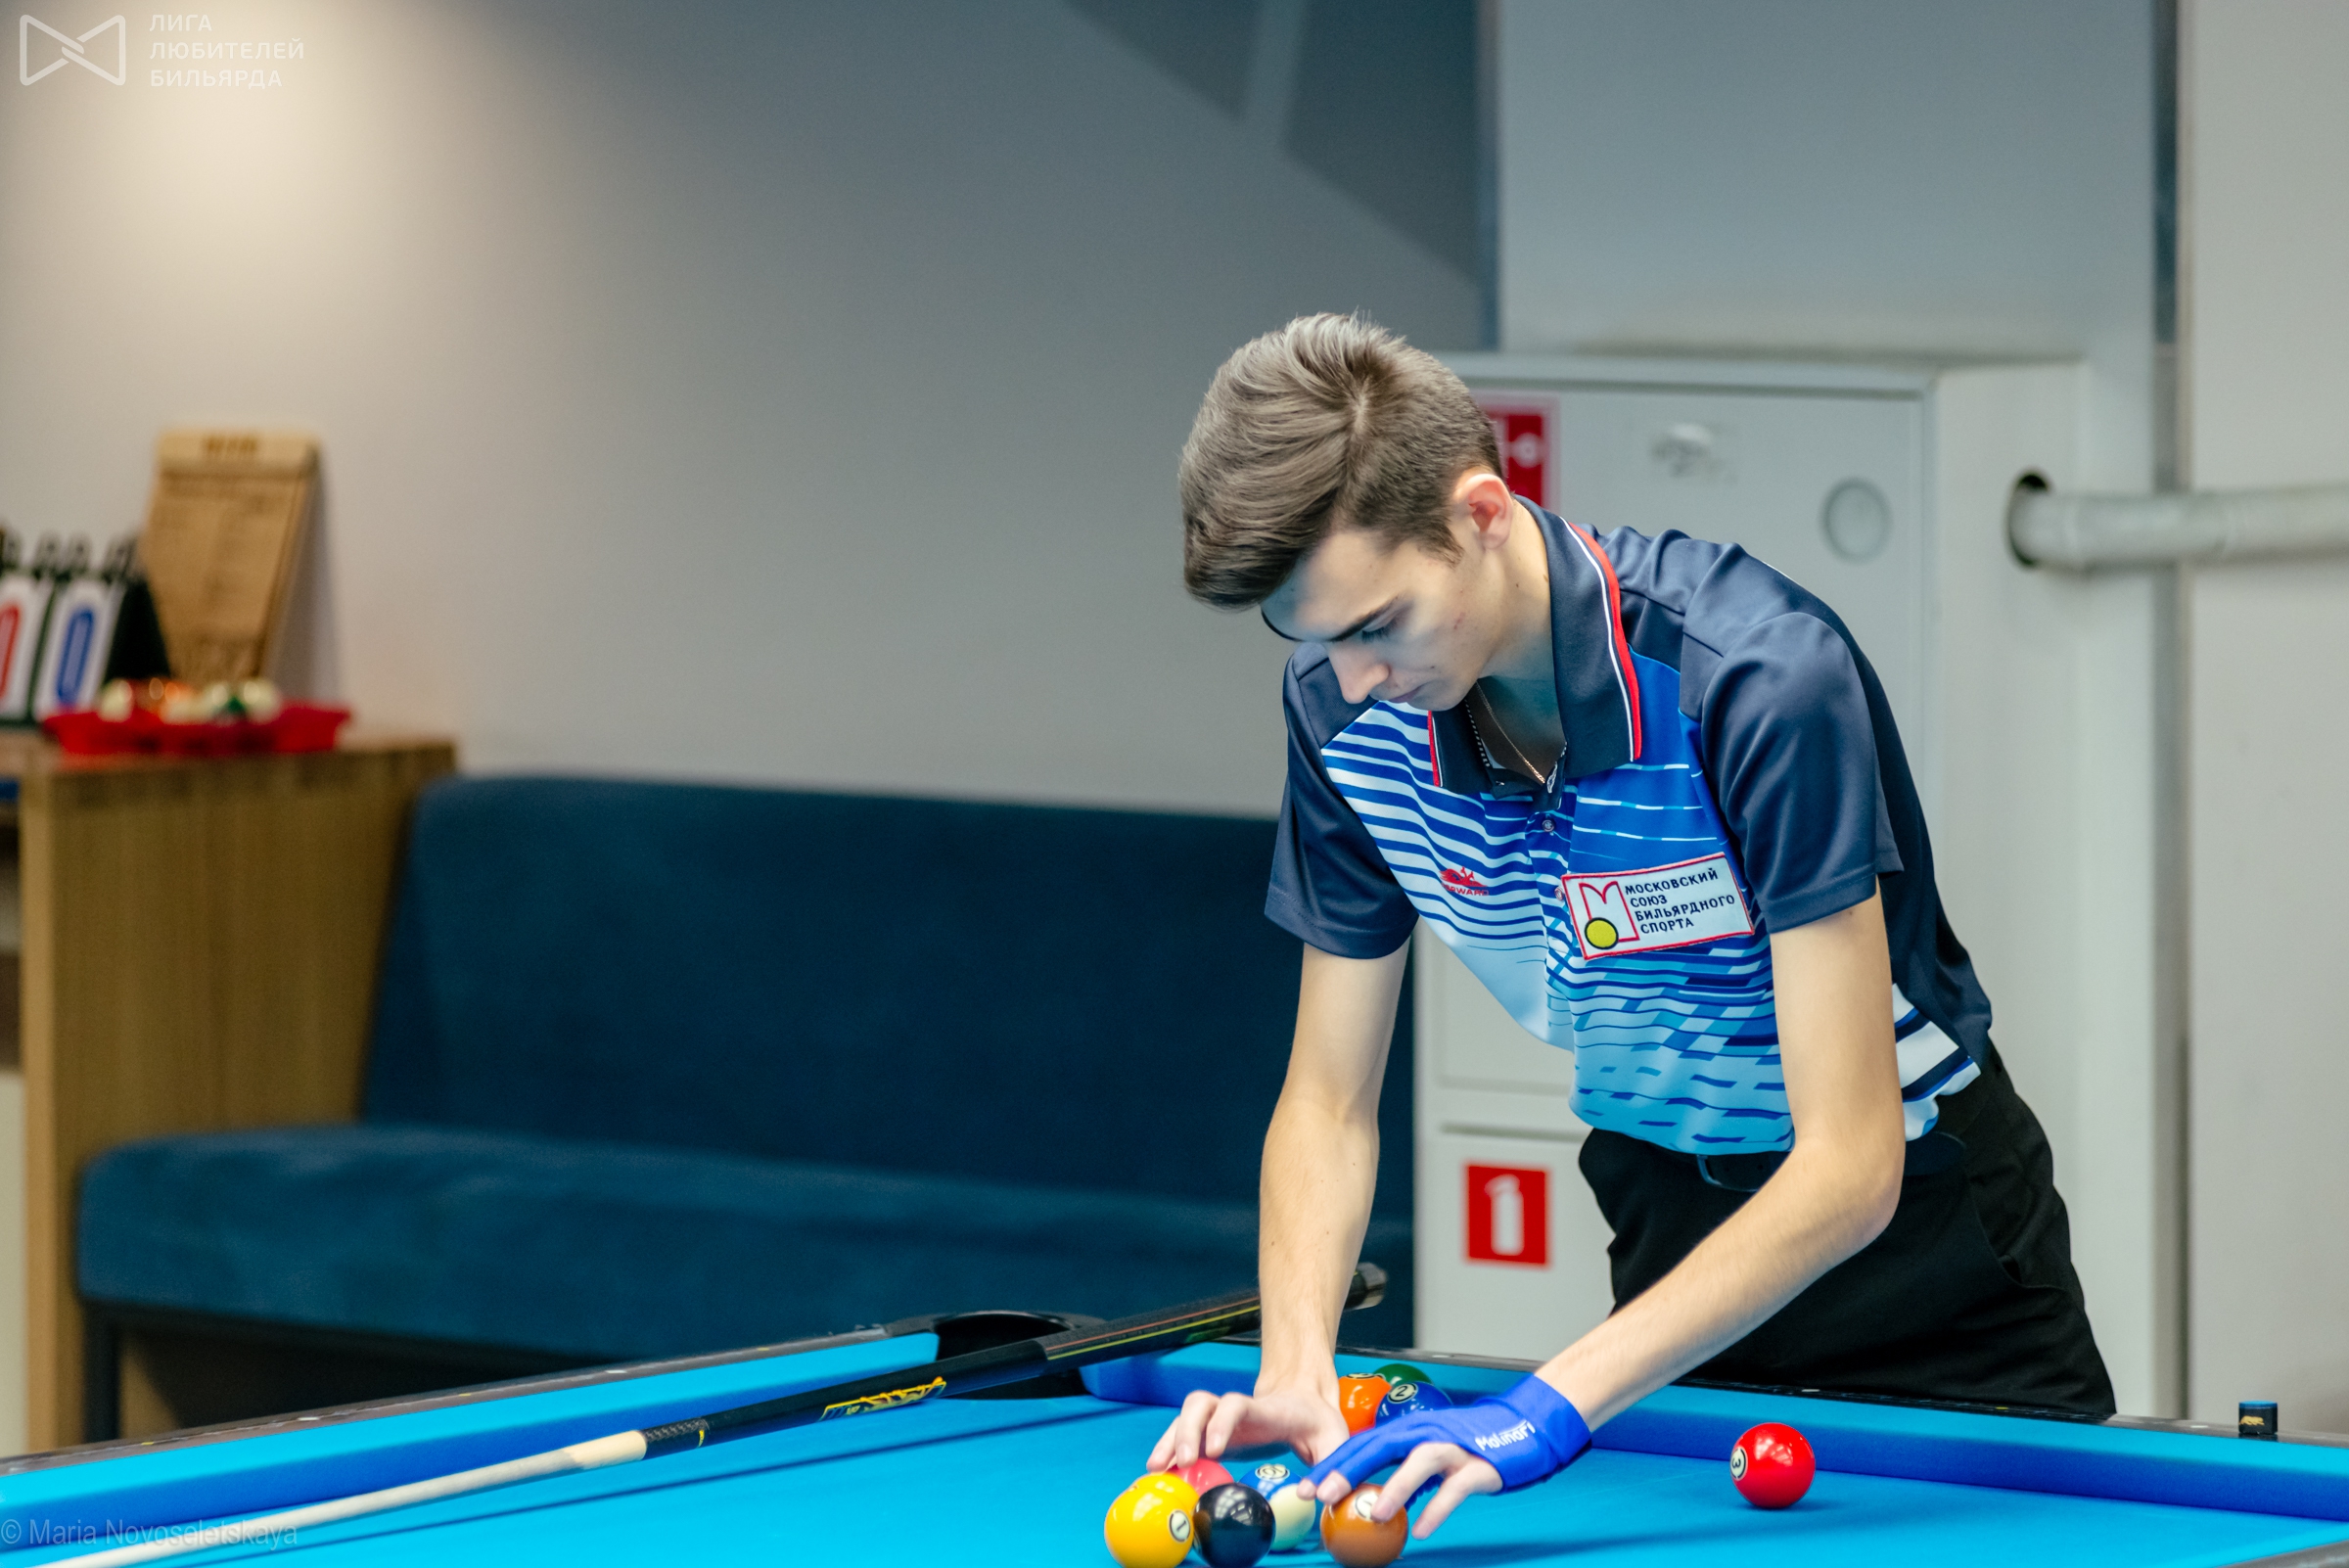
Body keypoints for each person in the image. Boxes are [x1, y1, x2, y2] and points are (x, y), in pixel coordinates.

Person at [1148, 314, 2112, 1540]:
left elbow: (1851, 1164)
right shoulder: (1345, 715)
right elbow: (1329, 1101)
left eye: (1377, 624)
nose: (1351, 678)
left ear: (1481, 513)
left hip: (1931, 1256)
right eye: (1311, 635)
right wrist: (1297, 1364)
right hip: (1672, 1243)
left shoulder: (1754, 681)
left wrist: (1546, 1406)